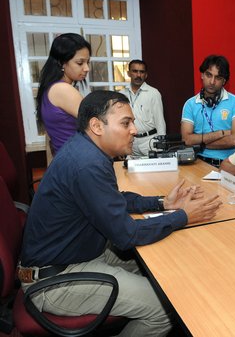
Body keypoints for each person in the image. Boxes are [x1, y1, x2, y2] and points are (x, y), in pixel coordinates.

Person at [19, 90, 222, 336]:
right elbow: (125, 235)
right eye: (126, 123)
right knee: (166, 307)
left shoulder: (86, 151)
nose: (135, 130)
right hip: (54, 281)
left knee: (164, 270)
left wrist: (162, 203)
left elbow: (111, 201)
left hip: (74, 255)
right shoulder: (87, 164)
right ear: (96, 126)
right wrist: (184, 216)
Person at [181, 55, 235, 167]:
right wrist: (222, 133)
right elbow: (186, 140)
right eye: (209, 75)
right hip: (198, 163)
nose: (212, 81)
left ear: (224, 81)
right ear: (202, 75)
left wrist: (200, 142)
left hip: (228, 165)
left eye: (218, 77)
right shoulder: (190, 104)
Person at [36, 33, 91, 154]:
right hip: (76, 158)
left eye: (88, 62)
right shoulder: (62, 89)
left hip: (68, 156)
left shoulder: (51, 87)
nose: (87, 68)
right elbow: (95, 123)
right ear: (62, 63)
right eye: (80, 63)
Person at [121, 59, 166, 156]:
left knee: (153, 171)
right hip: (130, 141)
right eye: (135, 71)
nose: (138, 75)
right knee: (131, 171)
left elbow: (160, 122)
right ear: (129, 73)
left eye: (142, 72)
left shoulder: (153, 93)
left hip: (150, 141)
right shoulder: (122, 94)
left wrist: (161, 145)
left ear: (146, 75)